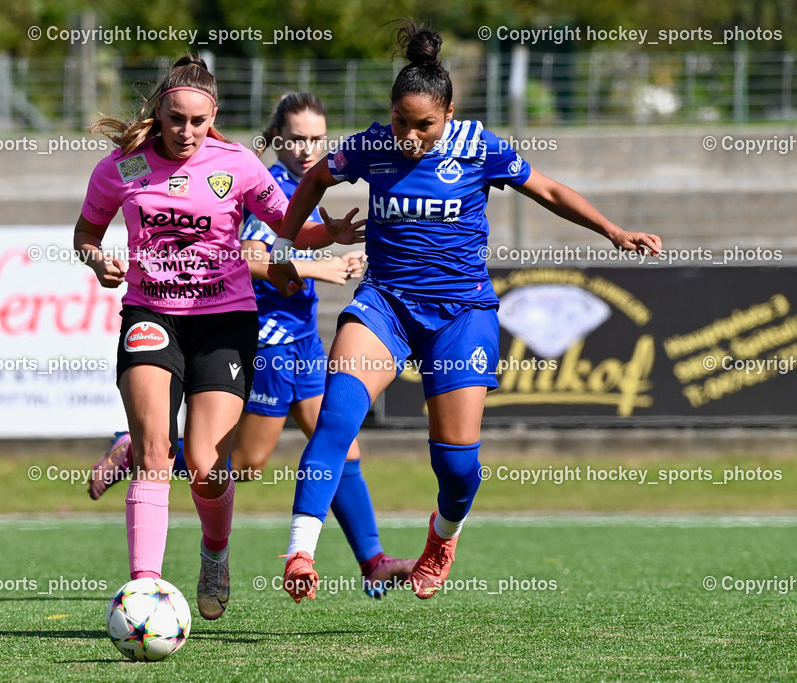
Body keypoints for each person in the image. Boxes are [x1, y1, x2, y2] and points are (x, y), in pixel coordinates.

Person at [270, 21, 663, 602]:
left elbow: (549, 190)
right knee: (334, 423)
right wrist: (294, 233)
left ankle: (441, 537)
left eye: (423, 124)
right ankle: (300, 551)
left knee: (456, 469)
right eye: (401, 120)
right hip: (385, 305)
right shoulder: (371, 146)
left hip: (461, 314)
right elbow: (320, 176)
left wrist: (612, 230)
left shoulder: (481, 148)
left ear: (449, 112)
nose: (409, 135)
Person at [88, 92, 416, 598]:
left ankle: (371, 558)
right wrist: (317, 266)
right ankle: (145, 453)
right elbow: (246, 253)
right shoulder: (257, 179)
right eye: (298, 138)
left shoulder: (293, 185)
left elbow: (291, 236)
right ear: (278, 138)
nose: (308, 149)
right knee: (237, 464)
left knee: (340, 444)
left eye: (316, 139)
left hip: (303, 338)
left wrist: (324, 239)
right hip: (265, 338)